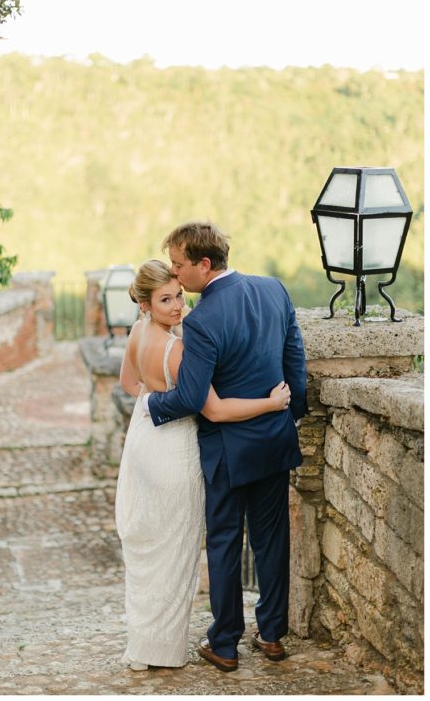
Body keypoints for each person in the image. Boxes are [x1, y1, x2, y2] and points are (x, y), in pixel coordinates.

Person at [144, 222, 307, 673]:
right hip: (274, 439)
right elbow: (295, 359)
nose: (176, 277)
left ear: (203, 264)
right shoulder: (274, 289)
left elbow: (192, 397)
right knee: (272, 542)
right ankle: (272, 635)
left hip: (228, 452)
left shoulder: (202, 321)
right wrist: (291, 413)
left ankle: (226, 644)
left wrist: (150, 403)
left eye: (179, 266)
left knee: (225, 543)